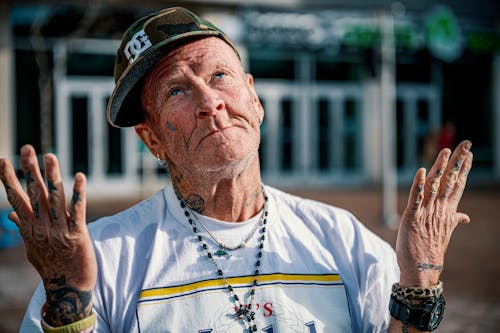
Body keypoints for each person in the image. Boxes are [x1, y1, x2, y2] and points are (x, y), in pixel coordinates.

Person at [0, 7, 473, 333]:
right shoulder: (101, 260)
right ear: (152, 140)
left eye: (219, 76)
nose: (210, 101)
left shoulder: (343, 242)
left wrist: (419, 283)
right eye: (177, 92)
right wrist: (68, 302)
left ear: (255, 99)